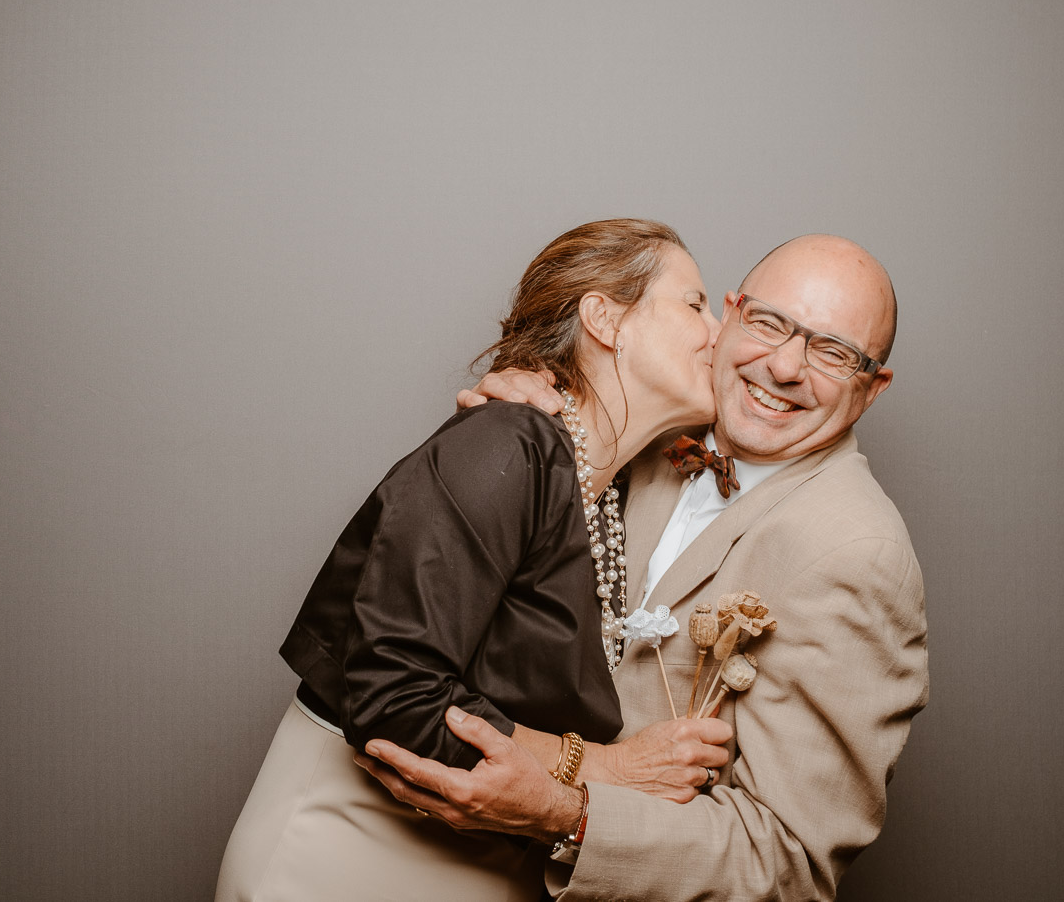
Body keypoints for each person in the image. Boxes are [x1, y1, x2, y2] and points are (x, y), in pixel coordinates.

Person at [357, 234, 930, 901]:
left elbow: (789, 861)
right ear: (731, 314)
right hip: (438, 855)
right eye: (770, 322)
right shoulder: (648, 426)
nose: (784, 367)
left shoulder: (859, 555)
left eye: (832, 351)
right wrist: (525, 402)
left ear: (873, 387)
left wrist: (567, 815)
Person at [214, 219, 741, 902]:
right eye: (694, 304)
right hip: (348, 856)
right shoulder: (507, 441)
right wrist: (610, 770)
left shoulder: (609, 493)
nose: (718, 333)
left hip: (488, 865)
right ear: (605, 319)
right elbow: (397, 697)